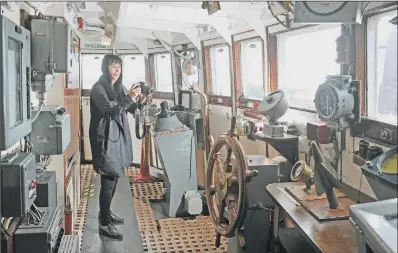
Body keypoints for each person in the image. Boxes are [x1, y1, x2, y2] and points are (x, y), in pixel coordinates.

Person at [89, 54, 145, 240]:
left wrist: (139, 100)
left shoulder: (118, 88)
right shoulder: (98, 89)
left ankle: (106, 213)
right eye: (114, 66)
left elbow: (128, 108)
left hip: (117, 138)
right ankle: (104, 224)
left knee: (113, 177)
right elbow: (111, 112)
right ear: (105, 67)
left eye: (120, 67)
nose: (117, 69)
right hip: (104, 139)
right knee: (108, 179)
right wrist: (128, 97)